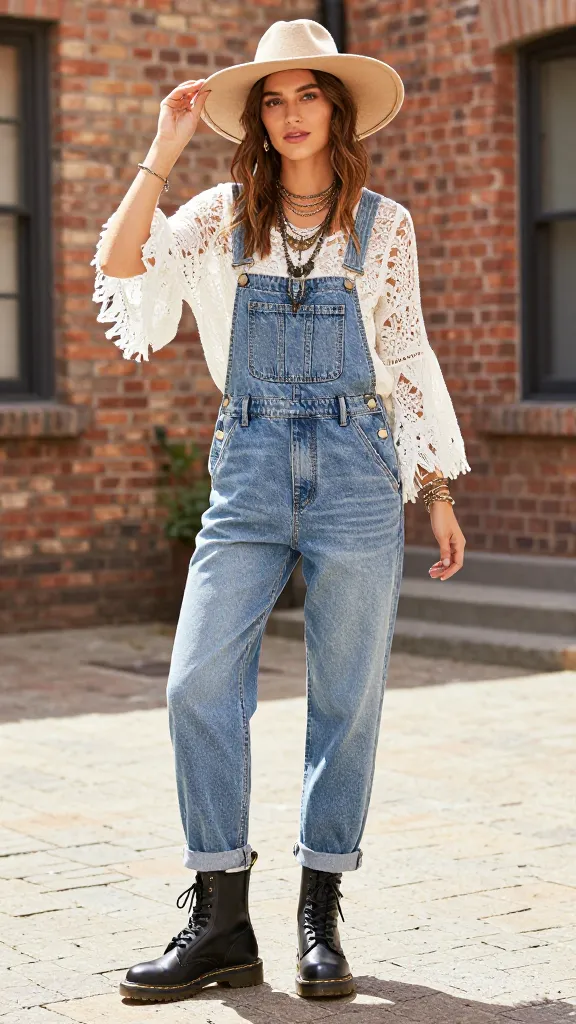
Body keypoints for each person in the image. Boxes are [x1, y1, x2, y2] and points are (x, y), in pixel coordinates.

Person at [91, 18, 471, 1004]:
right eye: (274, 97)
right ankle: (220, 919)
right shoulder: (221, 216)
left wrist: (434, 491)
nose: (292, 113)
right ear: (256, 117)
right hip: (250, 462)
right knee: (193, 682)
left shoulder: (386, 227)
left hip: (356, 466)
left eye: (309, 95)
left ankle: (319, 915)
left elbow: (408, 352)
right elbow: (128, 268)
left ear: (337, 113)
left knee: (348, 700)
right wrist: (163, 150)